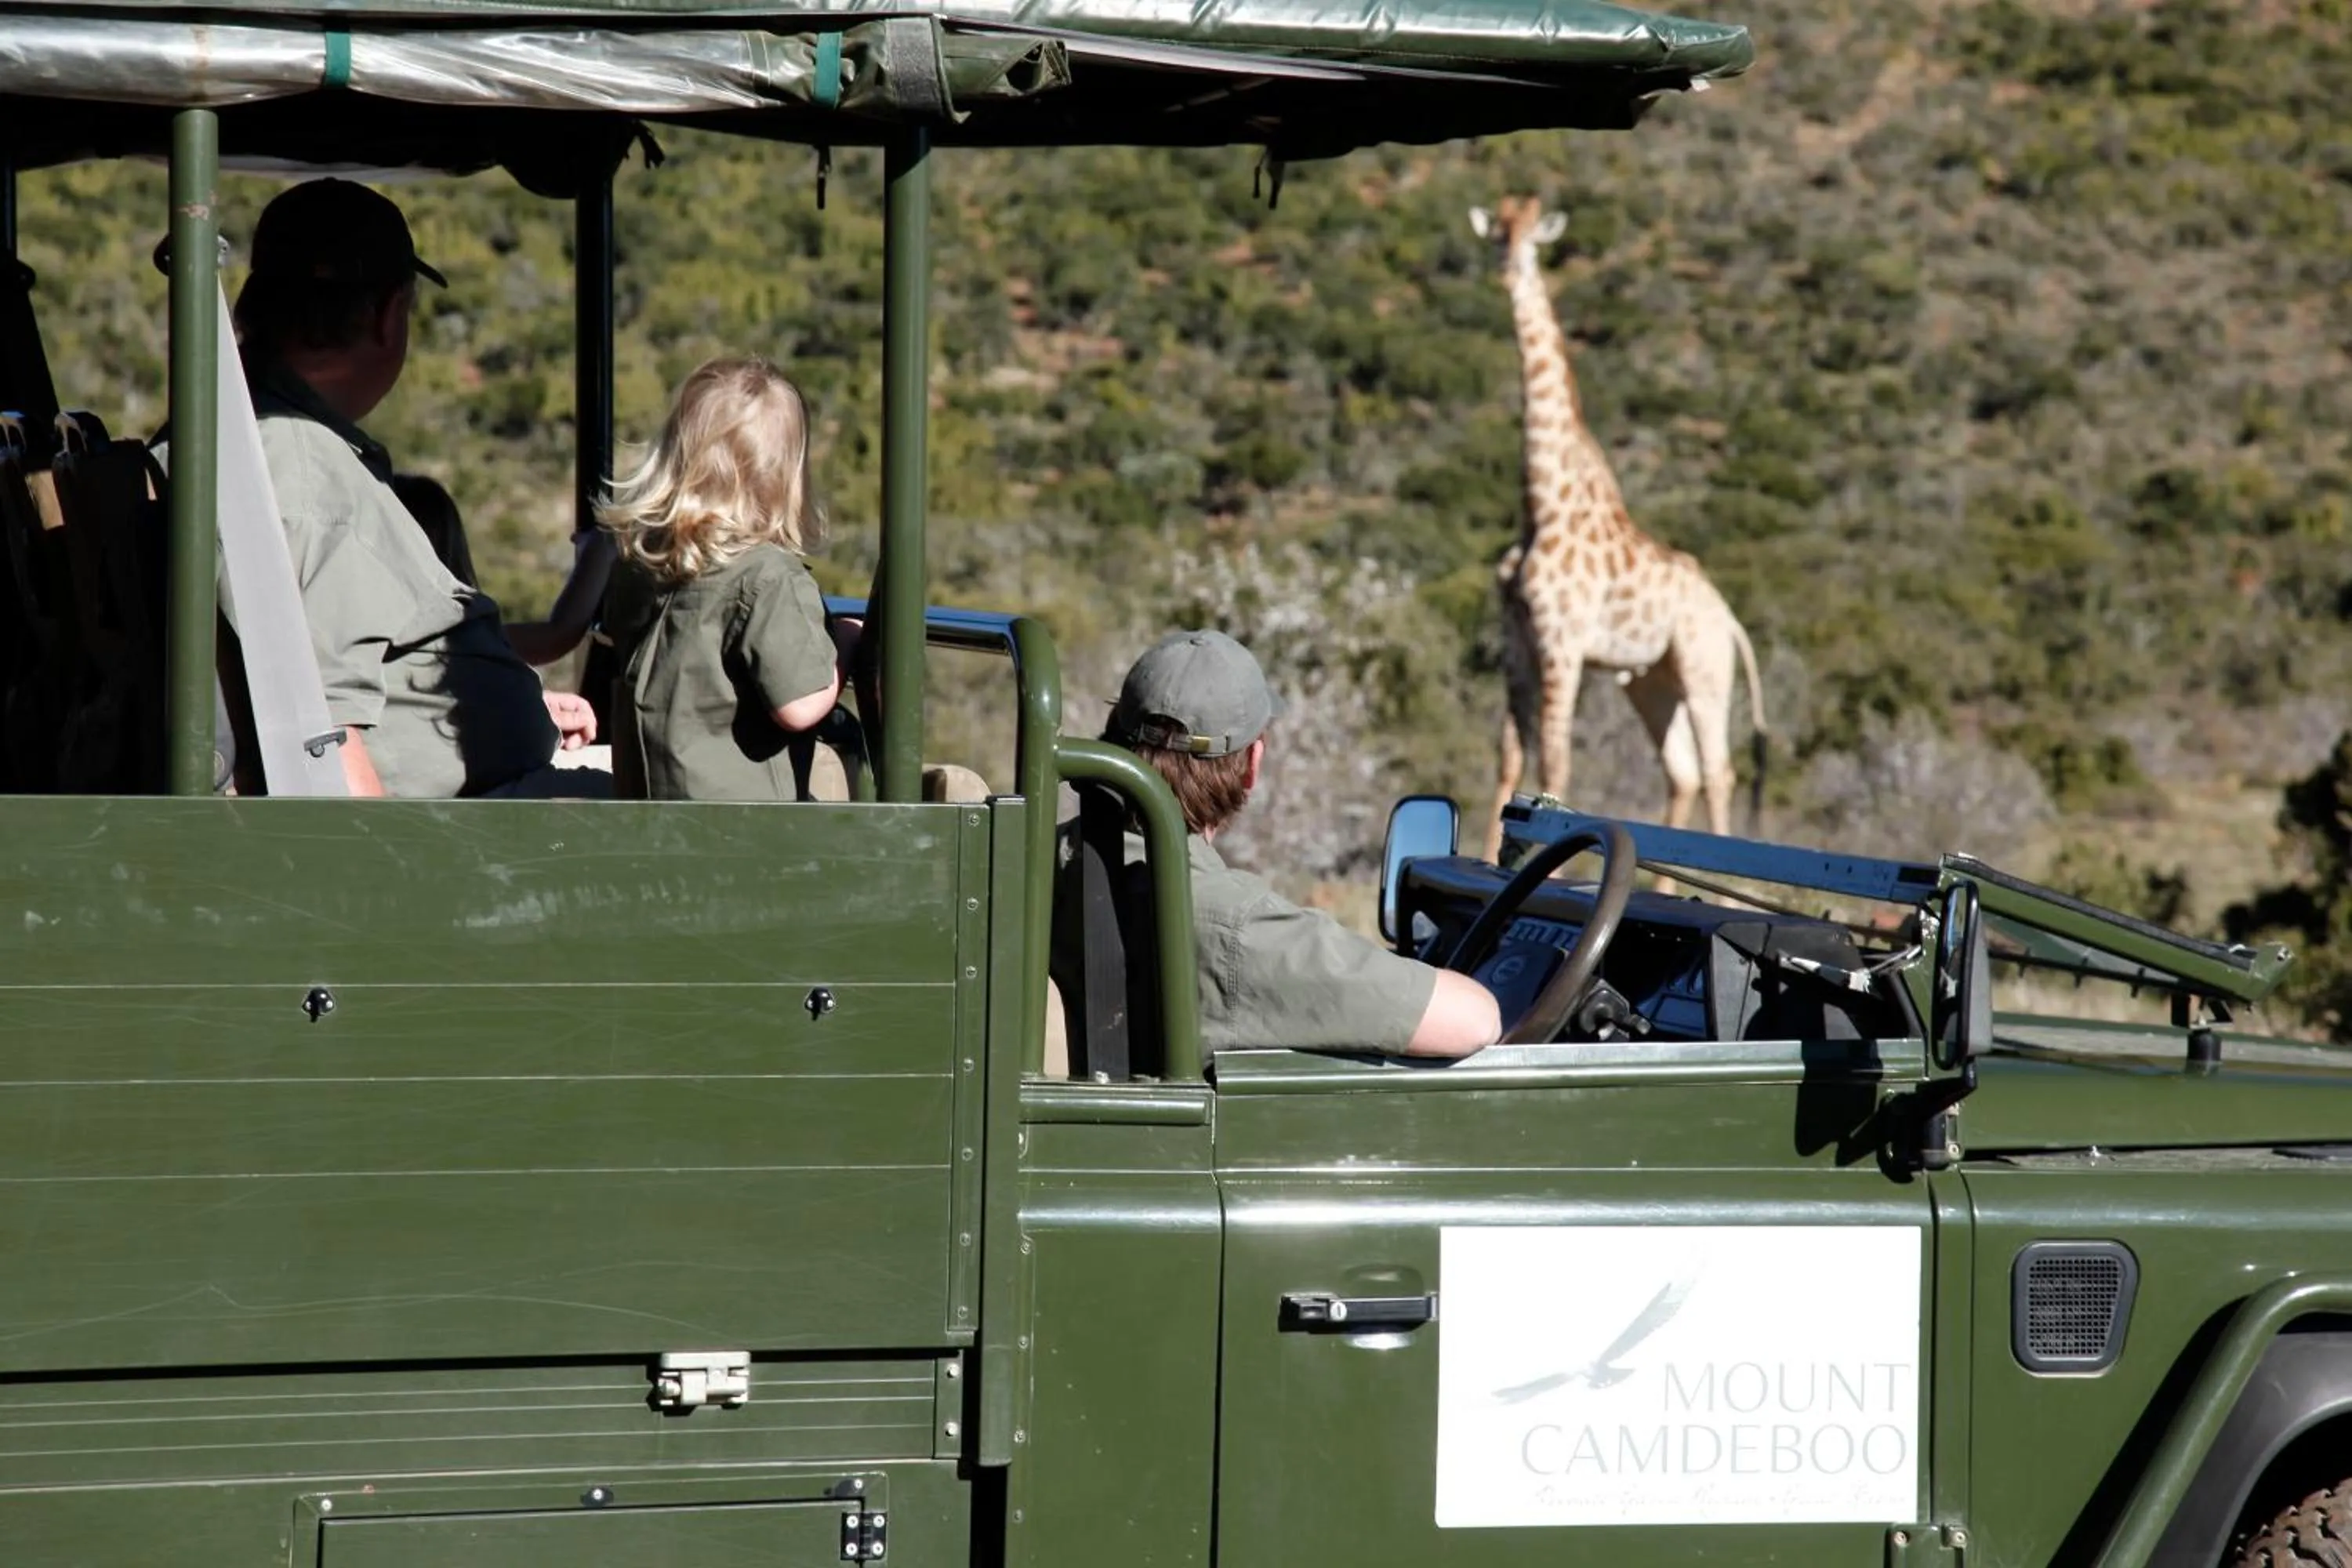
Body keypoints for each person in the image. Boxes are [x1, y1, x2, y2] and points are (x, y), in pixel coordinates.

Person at [199, 178, 601, 797]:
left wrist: (505, 703)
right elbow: (325, 748)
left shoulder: (242, 438)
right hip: (426, 835)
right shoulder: (302, 473)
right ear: (388, 318)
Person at [1084, 629, 1502, 1058]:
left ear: (1112, 735)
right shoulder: (1233, 925)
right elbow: (1475, 1020)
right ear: (1252, 765)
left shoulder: (1059, 862)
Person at [597, 356, 856, 800]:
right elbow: (799, 705)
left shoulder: (638, 562)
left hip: (647, 807)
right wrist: (846, 645)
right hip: (738, 825)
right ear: (785, 476)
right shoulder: (769, 578)